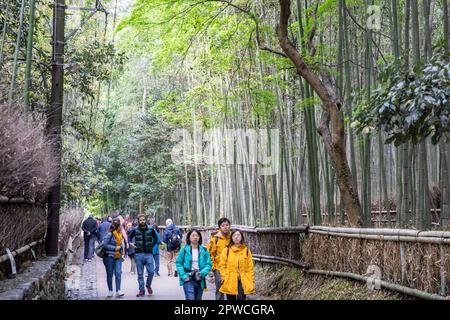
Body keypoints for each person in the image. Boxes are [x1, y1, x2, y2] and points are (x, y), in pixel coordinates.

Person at [175, 229, 212, 300]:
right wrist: (183, 275)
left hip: (199, 278)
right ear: (189, 237)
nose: (195, 237)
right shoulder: (184, 249)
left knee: (198, 298)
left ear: (199, 238)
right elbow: (178, 263)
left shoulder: (204, 250)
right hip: (188, 277)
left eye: (197, 236)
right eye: (193, 235)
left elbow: (208, 264)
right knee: (190, 298)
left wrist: (202, 273)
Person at [128, 214, 159, 297]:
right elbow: (129, 237)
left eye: (143, 220)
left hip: (149, 254)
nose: (142, 221)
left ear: (145, 220)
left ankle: (148, 285)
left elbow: (156, 239)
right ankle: (141, 290)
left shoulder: (151, 229)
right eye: (141, 220)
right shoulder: (135, 230)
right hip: (138, 254)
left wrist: (151, 245)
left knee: (151, 272)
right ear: (138, 221)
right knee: (140, 274)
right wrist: (131, 243)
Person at [219, 230, 254, 300]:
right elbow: (222, 265)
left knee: (241, 298)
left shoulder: (246, 250)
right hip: (230, 278)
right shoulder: (226, 250)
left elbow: (250, 266)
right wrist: (225, 277)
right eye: (234, 235)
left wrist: (251, 278)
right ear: (231, 238)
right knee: (230, 298)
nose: (236, 237)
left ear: (241, 237)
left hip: (243, 278)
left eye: (238, 235)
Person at [207, 217, 231, 300]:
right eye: (223, 225)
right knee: (220, 288)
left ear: (229, 226)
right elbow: (209, 254)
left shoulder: (233, 238)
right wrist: (213, 268)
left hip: (231, 267)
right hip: (218, 267)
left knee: (231, 289)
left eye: (227, 225)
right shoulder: (215, 239)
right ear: (219, 227)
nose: (225, 227)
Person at [102, 218, 125, 298]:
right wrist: (115, 248)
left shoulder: (120, 234)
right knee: (110, 274)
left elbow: (121, 245)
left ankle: (118, 290)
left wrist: (122, 251)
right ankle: (110, 290)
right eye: (119, 226)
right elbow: (105, 245)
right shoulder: (110, 234)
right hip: (109, 257)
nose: (120, 227)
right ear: (116, 226)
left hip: (118, 256)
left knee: (118, 273)